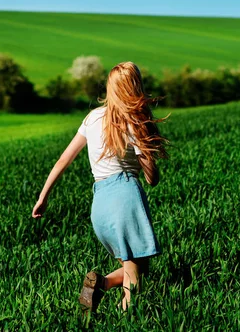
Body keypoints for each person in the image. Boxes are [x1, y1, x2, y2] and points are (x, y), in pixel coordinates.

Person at [31, 61, 168, 312]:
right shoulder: (134, 123)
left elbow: (64, 160)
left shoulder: (92, 117)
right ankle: (126, 320)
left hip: (100, 204)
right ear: (135, 87)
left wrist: (43, 197)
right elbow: (152, 179)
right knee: (134, 283)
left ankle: (101, 284)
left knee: (137, 268)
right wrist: (148, 144)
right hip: (125, 196)